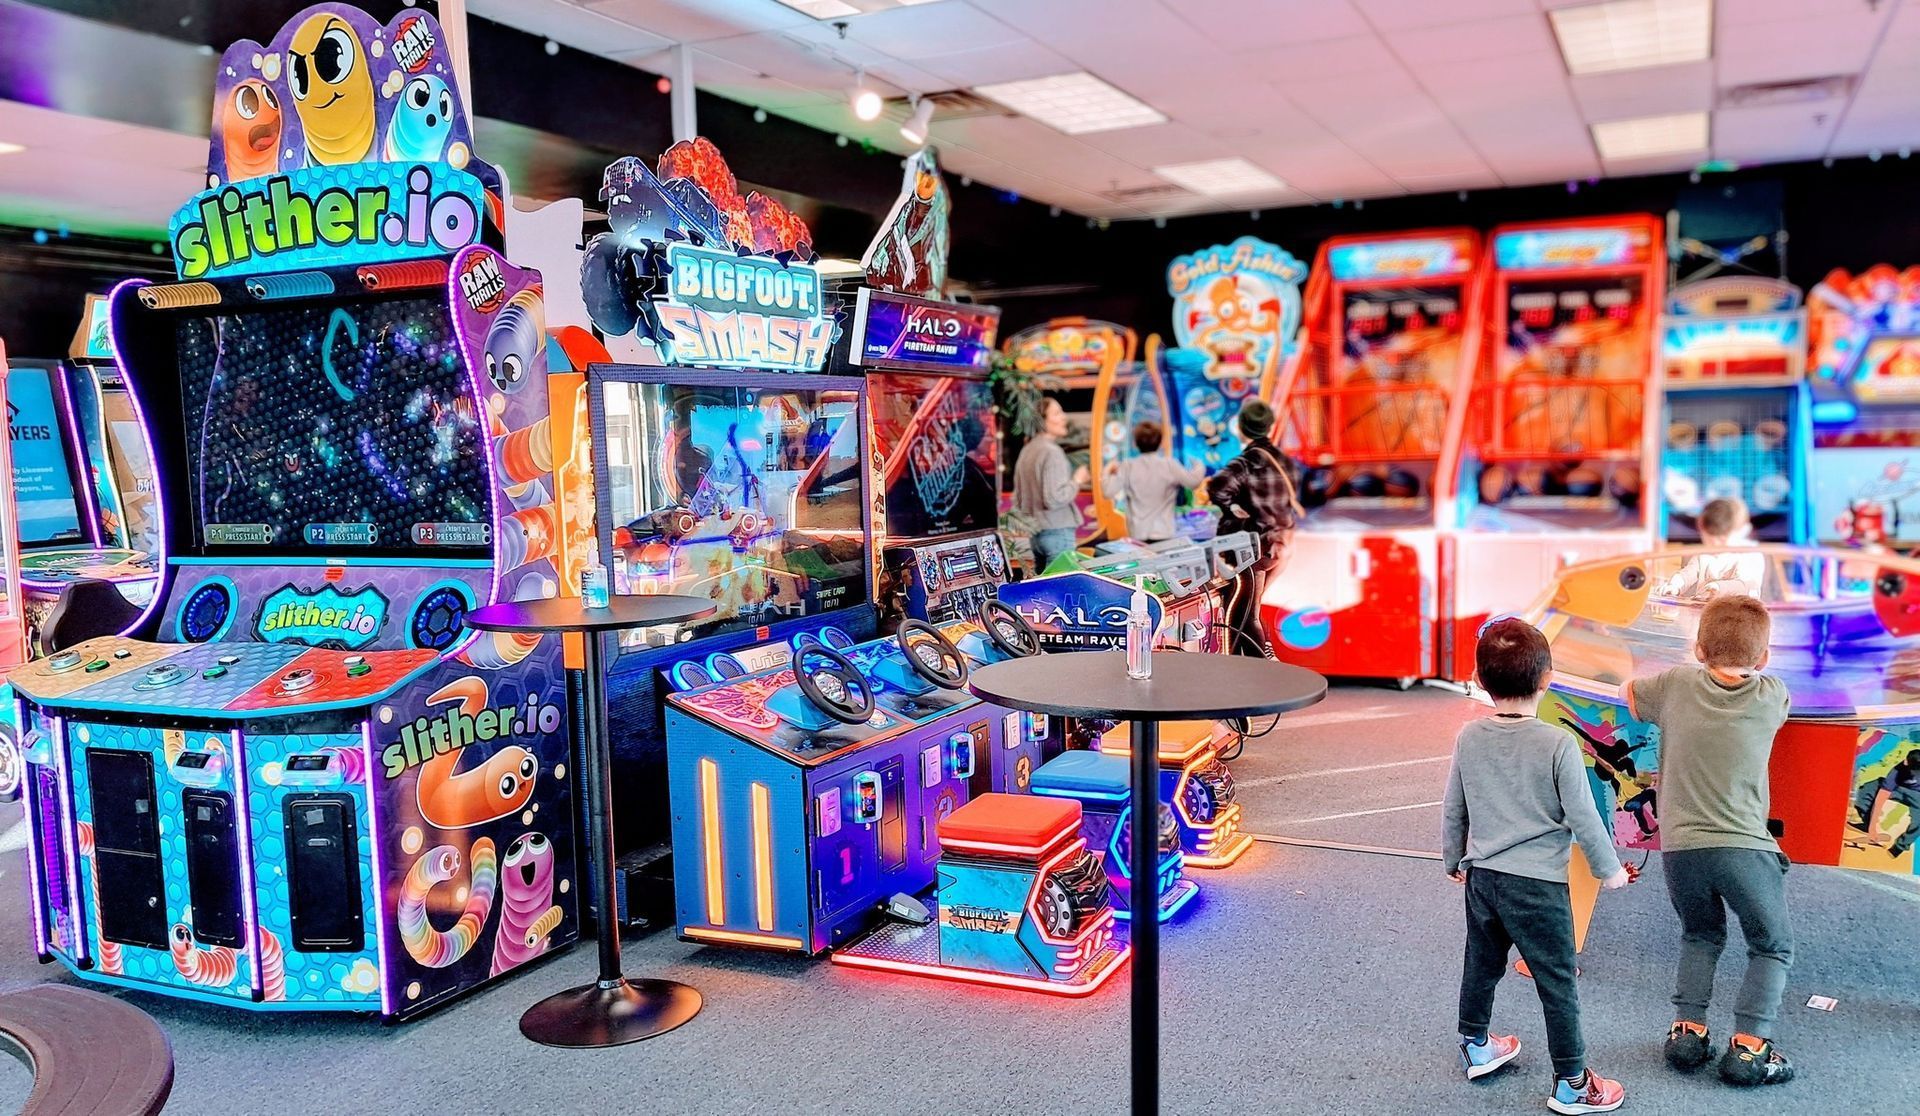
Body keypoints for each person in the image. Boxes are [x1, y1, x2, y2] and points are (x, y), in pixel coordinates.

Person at [1443, 618, 1631, 1115]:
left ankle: (1477, 1045)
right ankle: (1572, 1083)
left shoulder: (1469, 737)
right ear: (1547, 678)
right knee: (1556, 982)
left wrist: (1451, 858)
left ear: (1480, 679)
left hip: (1483, 878)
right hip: (1539, 887)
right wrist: (1608, 869)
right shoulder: (1557, 744)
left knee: (1481, 965)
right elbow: (1583, 815)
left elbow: (1454, 806)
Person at [1626, 595, 1795, 1087]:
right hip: (1745, 847)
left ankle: (1688, 1032)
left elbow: (1631, 694)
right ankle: (1749, 1048)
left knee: (1700, 934)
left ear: (1697, 649)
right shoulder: (1771, 694)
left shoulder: (1676, 684)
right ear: (1763, 659)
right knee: (1772, 945)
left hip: (1681, 850)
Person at [1204, 401, 1298, 656]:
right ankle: (1253, 671)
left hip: (1252, 547)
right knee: (1250, 610)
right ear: (1269, 426)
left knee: (1243, 615)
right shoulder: (1284, 460)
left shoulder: (1246, 462)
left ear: (1241, 428)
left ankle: (1261, 670)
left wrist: (1233, 508)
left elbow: (1216, 487)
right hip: (1281, 544)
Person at [1012, 397, 1087, 574]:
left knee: (1042, 594)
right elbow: (1054, 498)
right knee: (1061, 592)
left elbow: (1019, 498)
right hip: (1057, 532)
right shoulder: (1052, 452)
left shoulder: (1027, 450)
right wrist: (1077, 480)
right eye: (1057, 413)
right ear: (1042, 420)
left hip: (1036, 536)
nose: (1064, 417)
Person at [1105, 421, 1207, 543]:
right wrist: (1199, 465)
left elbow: (1107, 492)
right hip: (1164, 532)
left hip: (1138, 533)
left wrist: (1107, 470)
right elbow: (1193, 482)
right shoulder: (1169, 465)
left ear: (1135, 443)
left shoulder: (1127, 466)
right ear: (1161, 442)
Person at [1662, 497, 1765, 599]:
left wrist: (1718, 588)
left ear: (1741, 531)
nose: (1715, 544)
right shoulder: (1705, 554)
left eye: (1722, 539)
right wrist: (1675, 585)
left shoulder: (1749, 554)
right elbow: (1689, 573)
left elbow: (1746, 586)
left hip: (1740, 613)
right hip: (1707, 612)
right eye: (1709, 539)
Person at [1851, 748, 1920, 858]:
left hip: (1917, 795)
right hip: (1898, 789)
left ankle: (1900, 846)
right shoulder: (1897, 771)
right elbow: (1880, 799)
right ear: (1906, 762)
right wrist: (1872, 828)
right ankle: (1866, 823)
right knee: (1868, 788)